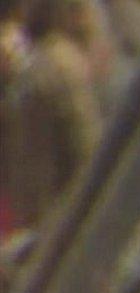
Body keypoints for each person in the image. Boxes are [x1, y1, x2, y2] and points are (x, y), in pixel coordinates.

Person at [4, 0, 102, 229]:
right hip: (50, 222)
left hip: (61, 221)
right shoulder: (48, 63)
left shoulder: (54, 65)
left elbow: (86, 151)